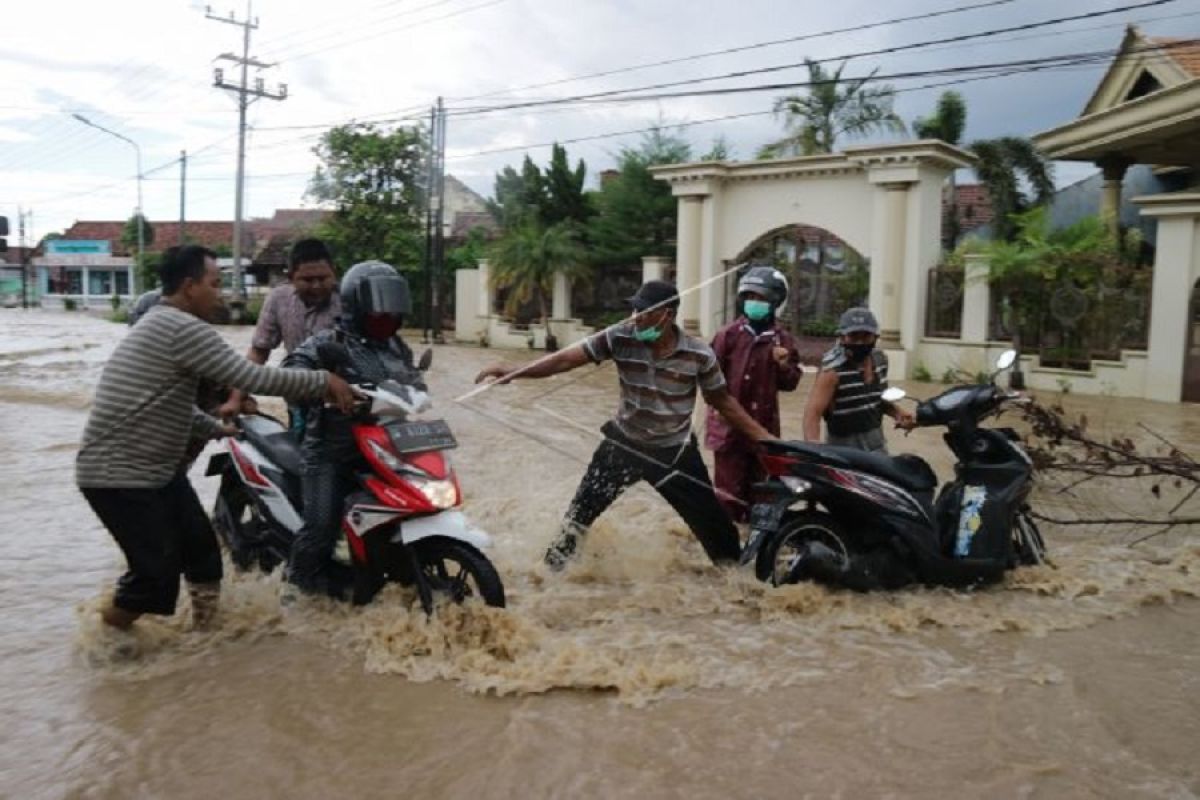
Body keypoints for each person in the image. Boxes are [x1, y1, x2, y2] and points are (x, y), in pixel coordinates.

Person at [76, 245, 358, 631]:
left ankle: (205, 637)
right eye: (215, 283)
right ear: (190, 287)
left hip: (155, 473)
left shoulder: (163, 322)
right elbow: (253, 377)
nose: (221, 293)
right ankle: (105, 644)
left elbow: (165, 405)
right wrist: (322, 381)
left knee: (204, 556)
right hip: (120, 476)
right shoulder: (181, 327)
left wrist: (217, 428)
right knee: (154, 579)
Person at [474, 279, 775, 571]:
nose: (636, 318)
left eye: (644, 312)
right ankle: (550, 576)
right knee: (577, 520)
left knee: (720, 536)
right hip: (623, 446)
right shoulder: (620, 336)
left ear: (666, 316)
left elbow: (722, 402)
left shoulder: (698, 354)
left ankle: (741, 586)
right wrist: (514, 371)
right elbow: (564, 360)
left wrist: (765, 439)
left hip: (674, 453)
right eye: (635, 310)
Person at [282, 260, 424, 597]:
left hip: (386, 446)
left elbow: (413, 380)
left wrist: (419, 392)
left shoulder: (396, 347)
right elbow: (290, 371)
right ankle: (296, 588)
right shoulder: (328, 341)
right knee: (320, 529)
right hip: (332, 452)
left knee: (421, 500)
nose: (387, 315)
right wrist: (324, 383)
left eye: (393, 308)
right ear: (357, 305)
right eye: (380, 309)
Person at [705, 266, 802, 521]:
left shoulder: (782, 341)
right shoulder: (727, 336)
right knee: (727, 498)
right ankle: (726, 551)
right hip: (728, 433)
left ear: (776, 302)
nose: (754, 303)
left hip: (763, 432)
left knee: (762, 497)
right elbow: (707, 381)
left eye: (761, 299)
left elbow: (791, 383)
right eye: (749, 297)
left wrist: (782, 364)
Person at [218, 238, 341, 423]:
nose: (316, 286)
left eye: (323, 278)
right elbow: (259, 352)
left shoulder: (348, 300)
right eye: (307, 280)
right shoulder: (278, 299)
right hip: (299, 400)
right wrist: (236, 398)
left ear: (334, 274)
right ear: (291, 278)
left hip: (343, 402)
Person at [802, 307, 914, 453]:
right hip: (844, 450)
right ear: (842, 338)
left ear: (875, 337)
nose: (860, 343)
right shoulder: (832, 371)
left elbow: (878, 400)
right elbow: (812, 414)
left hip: (877, 446)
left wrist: (898, 414)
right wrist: (814, 450)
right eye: (854, 336)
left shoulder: (880, 360)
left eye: (866, 336)